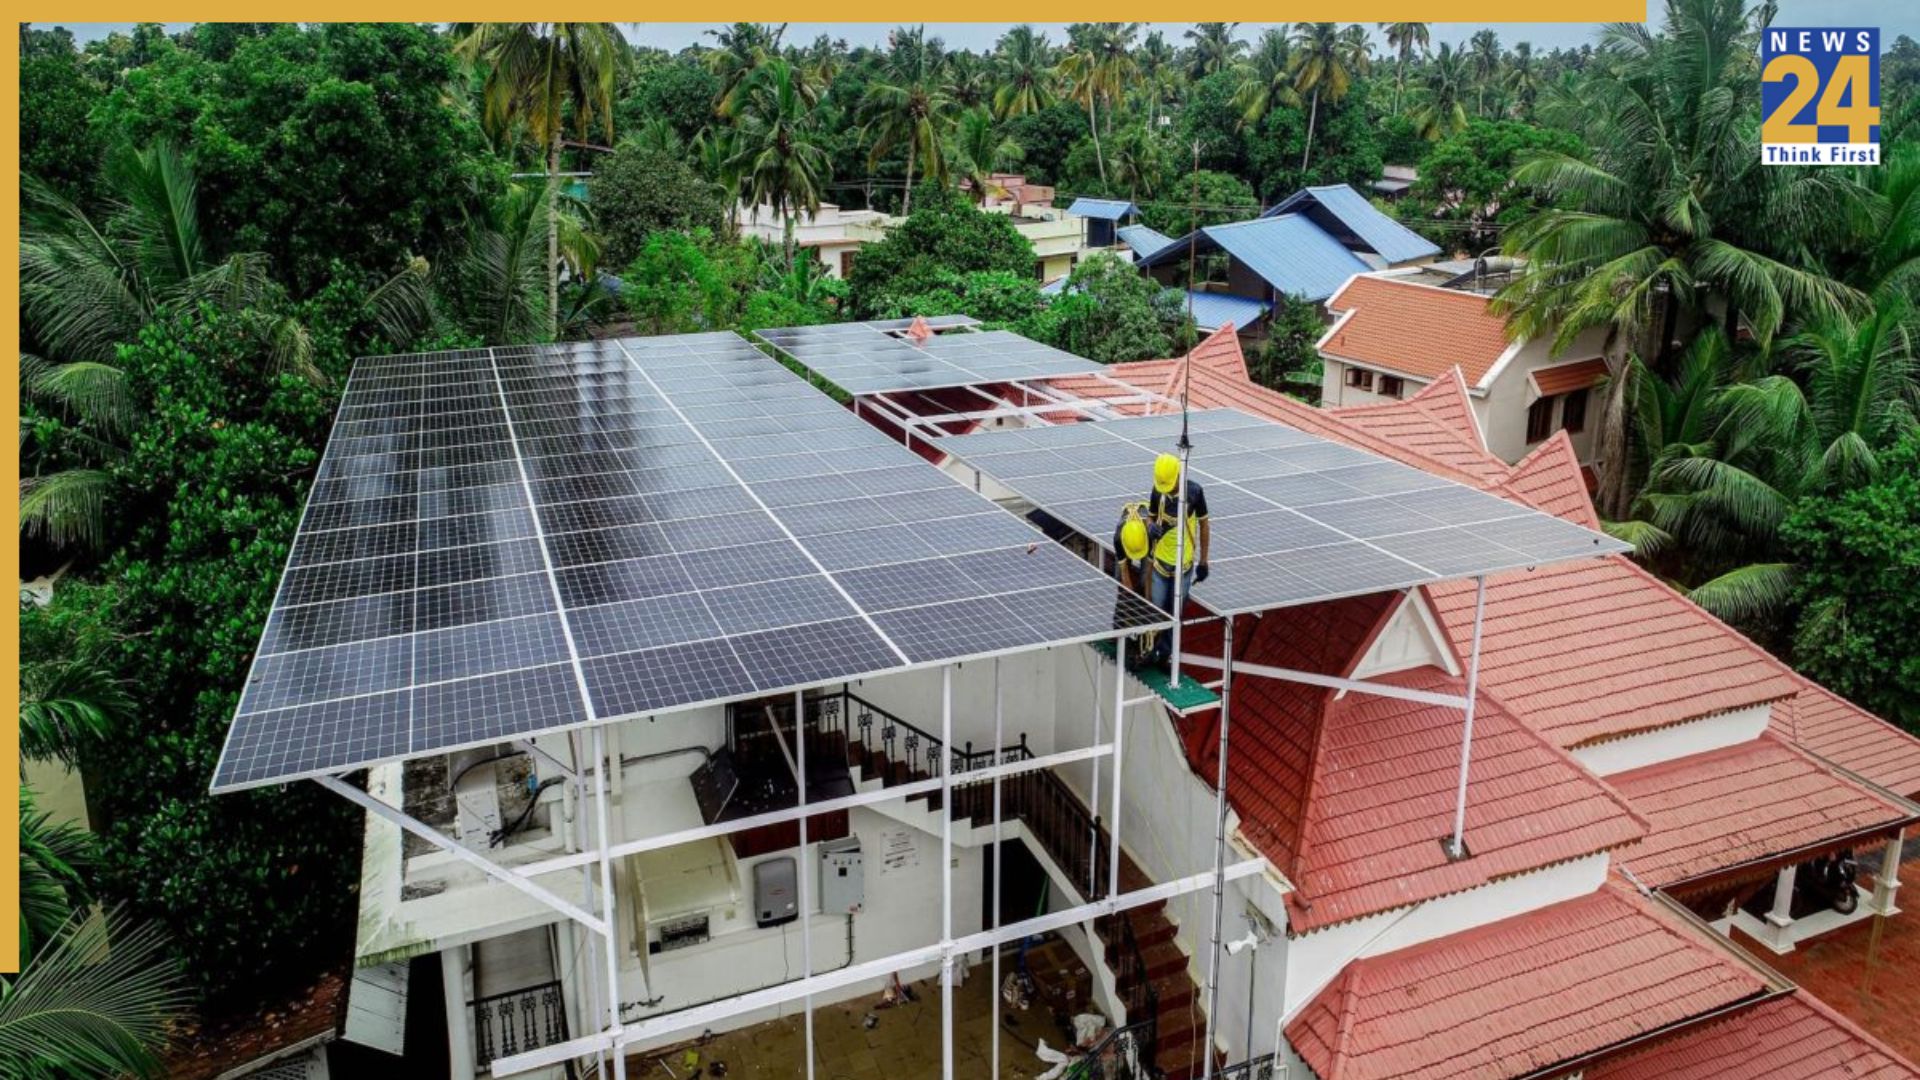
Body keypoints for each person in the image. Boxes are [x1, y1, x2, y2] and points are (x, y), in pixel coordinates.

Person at [1144, 452, 1209, 666]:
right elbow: (1150, 516)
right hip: (1160, 565)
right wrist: (1150, 526)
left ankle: (1165, 654)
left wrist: (1204, 561)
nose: (1168, 489)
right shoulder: (1158, 491)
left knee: (1174, 614)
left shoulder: (1194, 493)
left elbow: (1204, 525)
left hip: (1184, 567)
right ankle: (1151, 648)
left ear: (1179, 475)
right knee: (1157, 609)